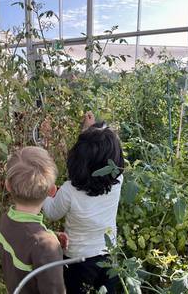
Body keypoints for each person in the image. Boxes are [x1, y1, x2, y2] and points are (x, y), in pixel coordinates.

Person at [43, 112, 124, 294]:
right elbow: (98, 157)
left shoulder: (69, 191)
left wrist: (45, 194)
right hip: (109, 255)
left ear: (77, 160)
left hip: (78, 261)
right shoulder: (118, 181)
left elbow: (51, 212)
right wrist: (89, 130)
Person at [0, 146, 66, 294]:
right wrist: (49, 241)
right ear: (52, 191)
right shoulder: (46, 245)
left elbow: (23, 239)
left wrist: (50, 235)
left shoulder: (4, 221)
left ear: (8, 185)